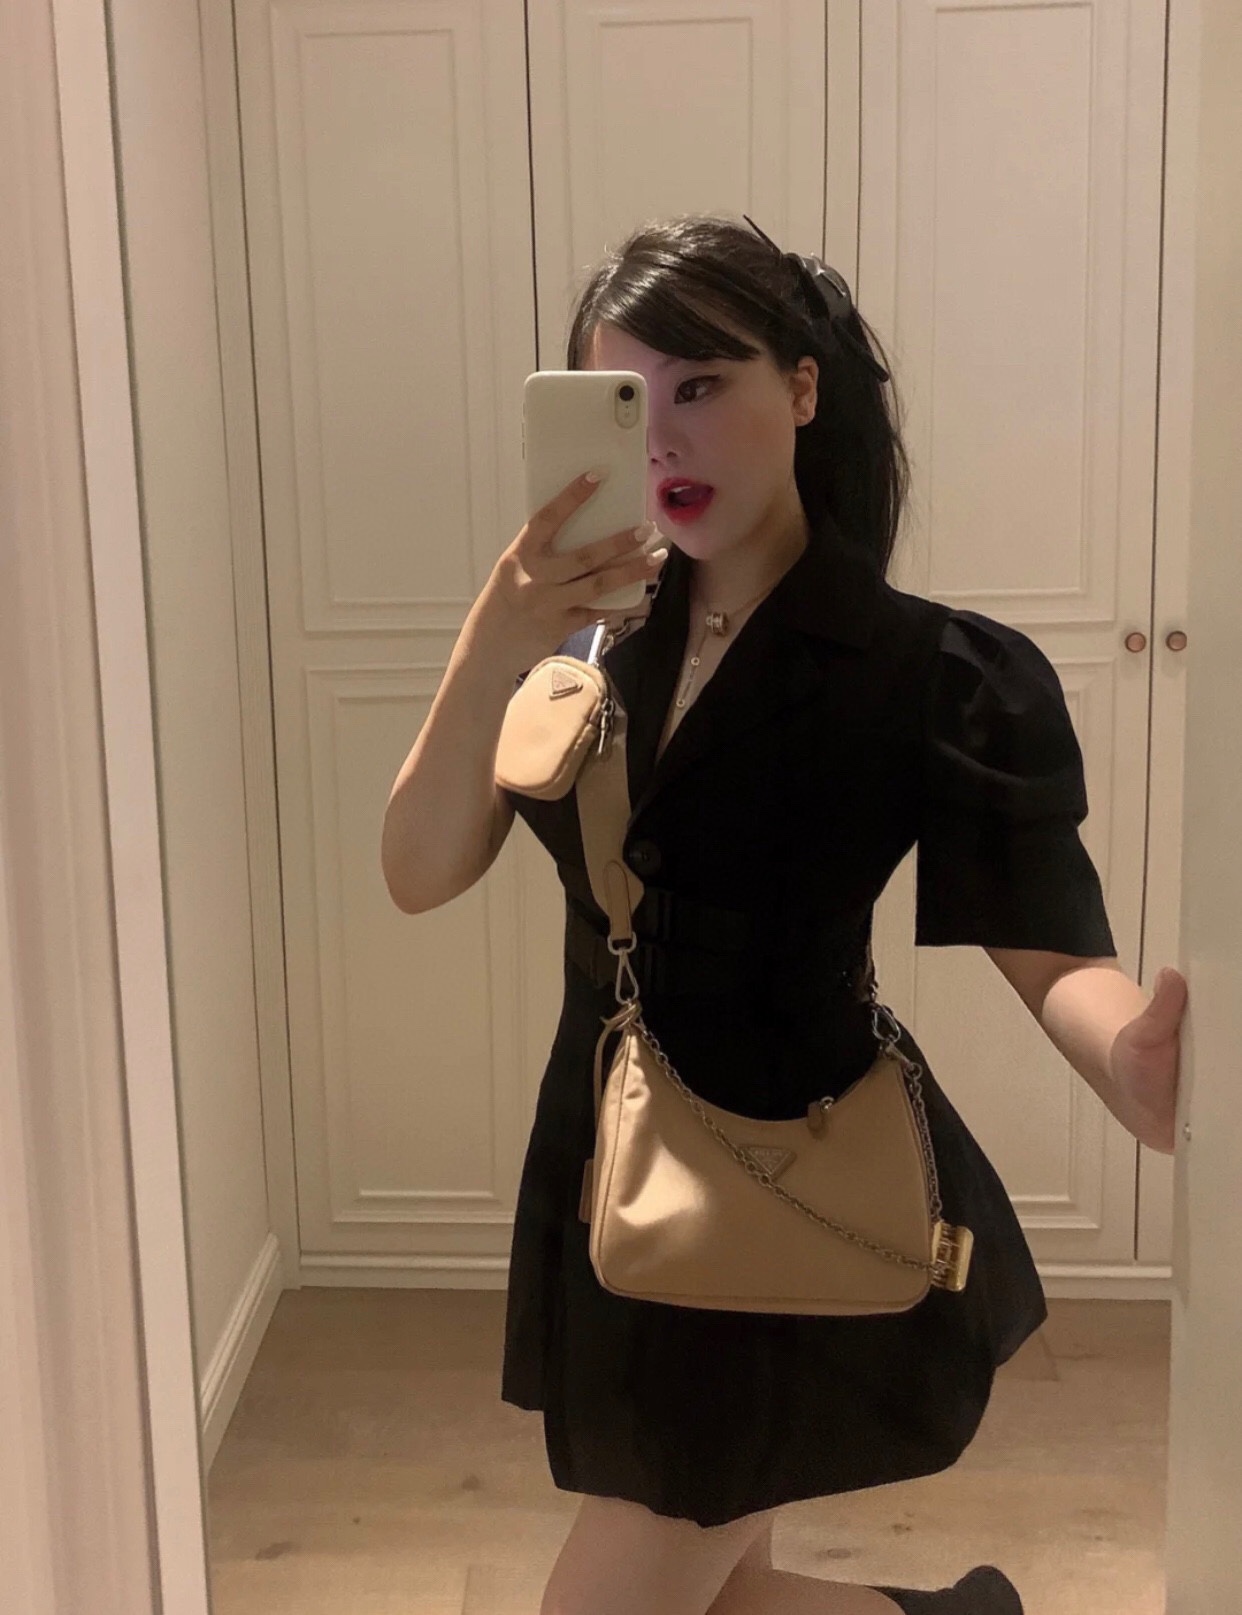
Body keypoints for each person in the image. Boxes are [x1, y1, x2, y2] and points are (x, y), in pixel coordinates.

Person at [381, 214, 1185, 1615]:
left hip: (780, 1173)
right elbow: (419, 866)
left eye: (701, 386)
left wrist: (1131, 1060)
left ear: (802, 389)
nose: (666, 440)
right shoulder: (587, 645)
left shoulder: (927, 670)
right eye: (629, 401)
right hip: (610, 1165)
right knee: (717, 1591)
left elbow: (1046, 944)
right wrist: (496, 631)